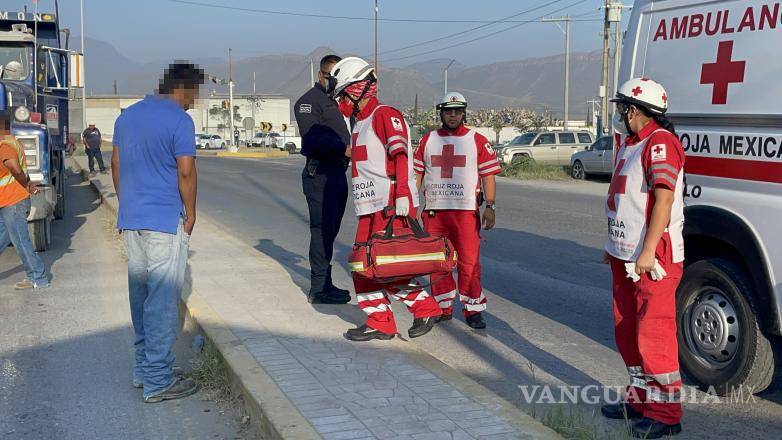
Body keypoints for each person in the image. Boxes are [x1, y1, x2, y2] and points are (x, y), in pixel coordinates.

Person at [330, 57, 442, 341]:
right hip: (370, 206)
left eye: (343, 93)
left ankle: (425, 308)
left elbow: (401, 154)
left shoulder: (383, 114)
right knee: (363, 265)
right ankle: (381, 320)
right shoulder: (361, 122)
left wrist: (404, 195)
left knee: (386, 263)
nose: (341, 100)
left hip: (390, 204)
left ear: (358, 88)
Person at [111, 62, 203, 403]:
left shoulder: (127, 117)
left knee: (140, 297)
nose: (194, 101)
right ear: (184, 88)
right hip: (165, 222)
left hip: (132, 220)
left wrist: (128, 206)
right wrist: (190, 213)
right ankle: (159, 381)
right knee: (162, 301)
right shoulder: (180, 119)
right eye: (195, 93)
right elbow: (186, 172)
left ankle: (143, 371)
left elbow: (117, 165)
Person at [601, 78, 685, 439]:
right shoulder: (632, 144)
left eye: (622, 107)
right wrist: (613, 248)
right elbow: (625, 202)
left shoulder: (660, 142)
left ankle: (665, 414)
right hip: (626, 256)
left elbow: (663, 201)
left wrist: (648, 250)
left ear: (633, 109)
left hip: (653, 257)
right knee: (628, 331)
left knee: (654, 333)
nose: (620, 113)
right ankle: (639, 399)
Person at [413, 92, 500, 329]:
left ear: (464, 113)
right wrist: (410, 204)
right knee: (437, 262)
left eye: (457, 111)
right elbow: (418, 175)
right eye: (448, 111)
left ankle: (473, 310)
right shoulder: (427, 140)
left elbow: (488, 175)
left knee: (469, 262)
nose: (453, 115)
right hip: (434, 212)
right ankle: (443, 306)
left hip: (465, 213)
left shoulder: (477, 140)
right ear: (441, 113)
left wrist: (490, 206)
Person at [294, 54, 352, 304]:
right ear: (321, 75)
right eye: (330, 76)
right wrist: (345, 148)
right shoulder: (309, 101)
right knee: (321, 231)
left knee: (331, 230)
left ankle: (326, 282)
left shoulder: (341, 102)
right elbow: (313, 138)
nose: (333, 81)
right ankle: (318, 288)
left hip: (337, 172)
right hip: (321, 173)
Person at [0, 109, 49, 290]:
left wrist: (27, 184)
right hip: (6, 201)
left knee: (20, 240)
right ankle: (37, 275)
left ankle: (38, 277)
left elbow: (13, 167)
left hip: (13, 202)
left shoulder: (4, 145)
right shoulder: (11, 141)